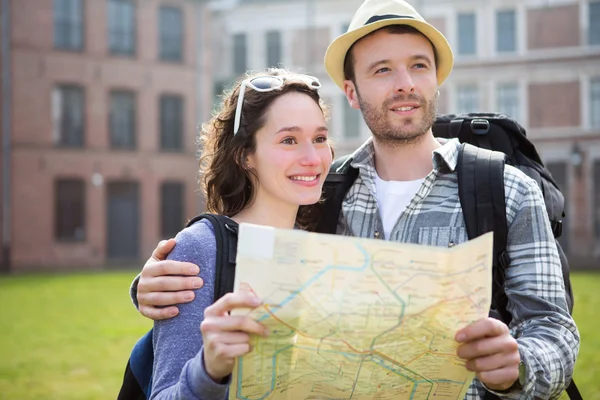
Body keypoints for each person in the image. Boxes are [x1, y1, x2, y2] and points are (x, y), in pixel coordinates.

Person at [131, 0, 580, 399]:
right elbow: (239, 243)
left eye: (419, 66)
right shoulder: (326, 194)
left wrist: (517, 368)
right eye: (382, 69)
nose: (404, 83)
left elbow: (555, 333)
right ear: (352, 92)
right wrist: (154, 287)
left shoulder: (505, 190)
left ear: (437, 79)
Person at [144, 68, 333, 399]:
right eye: (289, 140)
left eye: (319, 138)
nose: (312, 158)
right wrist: (209, 370)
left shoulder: (323, 247)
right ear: (245, 156)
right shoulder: (200, 248)